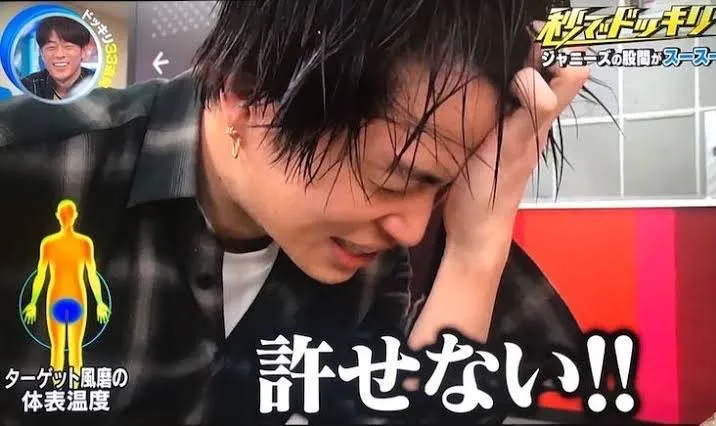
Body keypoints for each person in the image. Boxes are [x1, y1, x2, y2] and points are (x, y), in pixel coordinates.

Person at [0, 0, 589, 424]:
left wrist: (476, 249)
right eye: (395, 177)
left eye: (442, 188)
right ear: (246, 93)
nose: (410, 228)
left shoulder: (383, 251)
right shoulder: (28, 170)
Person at [20, 199, 111, 382]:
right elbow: (42, 276)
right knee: (66, 348)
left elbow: (91, 276)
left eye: (67, 214)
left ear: (68, 216)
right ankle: (63, 390)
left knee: (65, 348)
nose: (66, 217)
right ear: (65, 216)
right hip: (67, 297)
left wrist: (100, 302)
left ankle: (66, 389)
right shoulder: (56, 243)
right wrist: (33, 302)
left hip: (65, 297)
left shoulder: (76, 243)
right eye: (65, 214)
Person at [20, 16, 94, 101]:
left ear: (83, 51)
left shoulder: (97, 83)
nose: (59, 54)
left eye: (68, 47)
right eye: (51, 47)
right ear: (41, 53)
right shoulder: (28, 86)